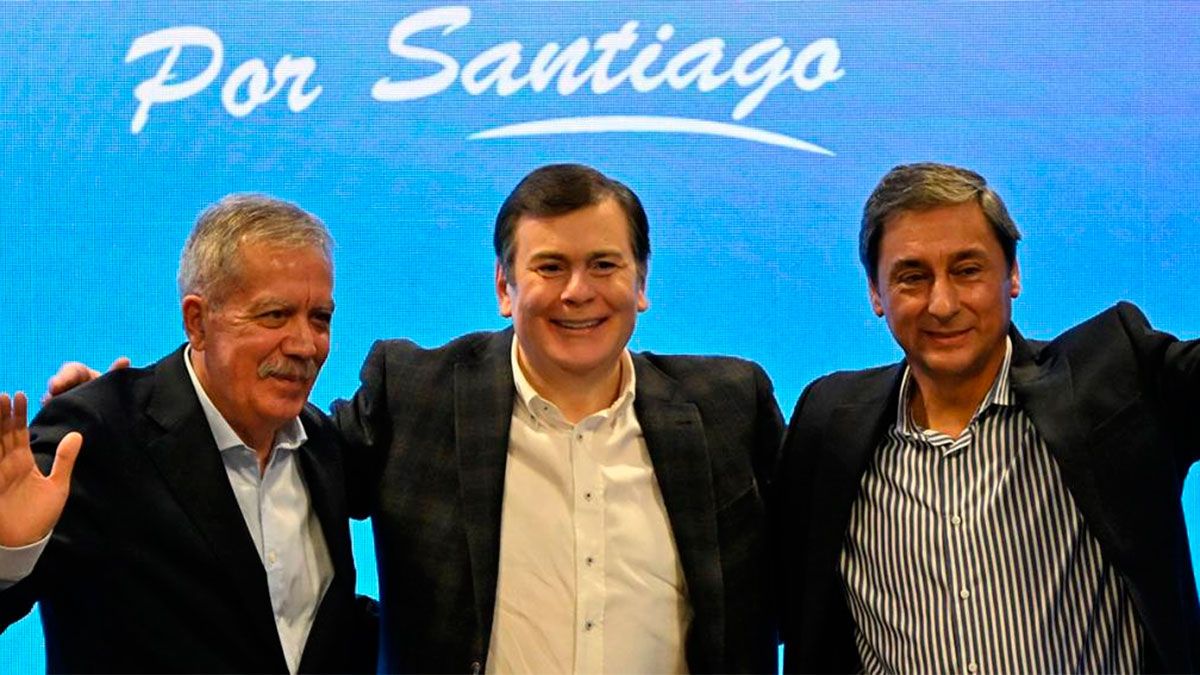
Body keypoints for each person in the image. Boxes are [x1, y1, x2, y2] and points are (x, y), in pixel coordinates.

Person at [333, 163, 784, 673]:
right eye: (550, 267)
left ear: (640, 282)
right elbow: (293, 473)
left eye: (604, 265)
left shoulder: (728, 407)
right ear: (504, 287)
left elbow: (815, 577)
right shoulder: (414, 397)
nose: (577, 292)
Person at [776, 162, 1200, 673]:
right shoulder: (828, 425)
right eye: (913, 277)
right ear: (875, 292)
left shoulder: (1113, 377)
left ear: (1012, 274)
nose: (942, 304)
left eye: (967, 270)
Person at [0, 194, 376, 673]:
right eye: (274, 315)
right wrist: (8, 554)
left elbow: (309, 634)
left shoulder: (322, 446)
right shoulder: (97, 437)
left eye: (319, 318)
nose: (305, 345)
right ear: (197, 321)